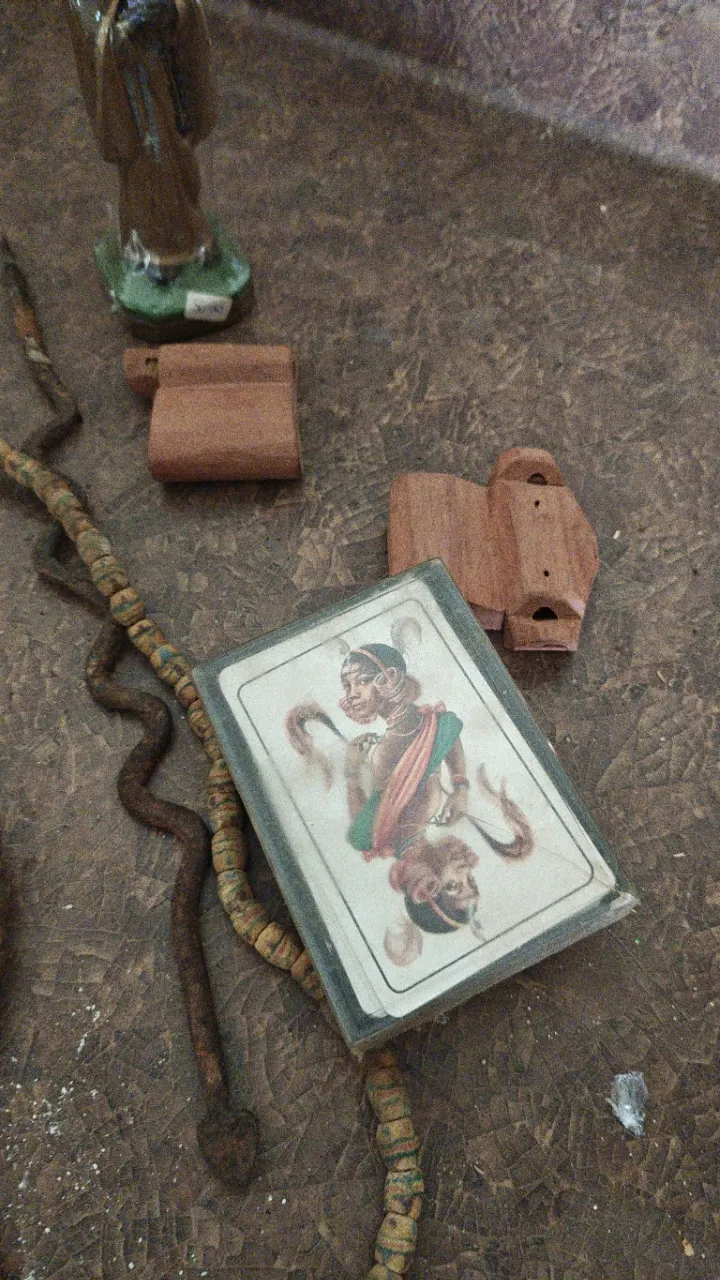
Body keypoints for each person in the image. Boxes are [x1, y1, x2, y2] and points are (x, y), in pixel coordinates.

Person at [65, 0, 217, 278]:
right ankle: (154, 248)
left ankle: (192, 235)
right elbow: (92, 34)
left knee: (181, 157)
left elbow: (188, 10)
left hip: (167, 79)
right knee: (148, 169)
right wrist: (123, 32)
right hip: (132, 95)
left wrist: (173, 11)